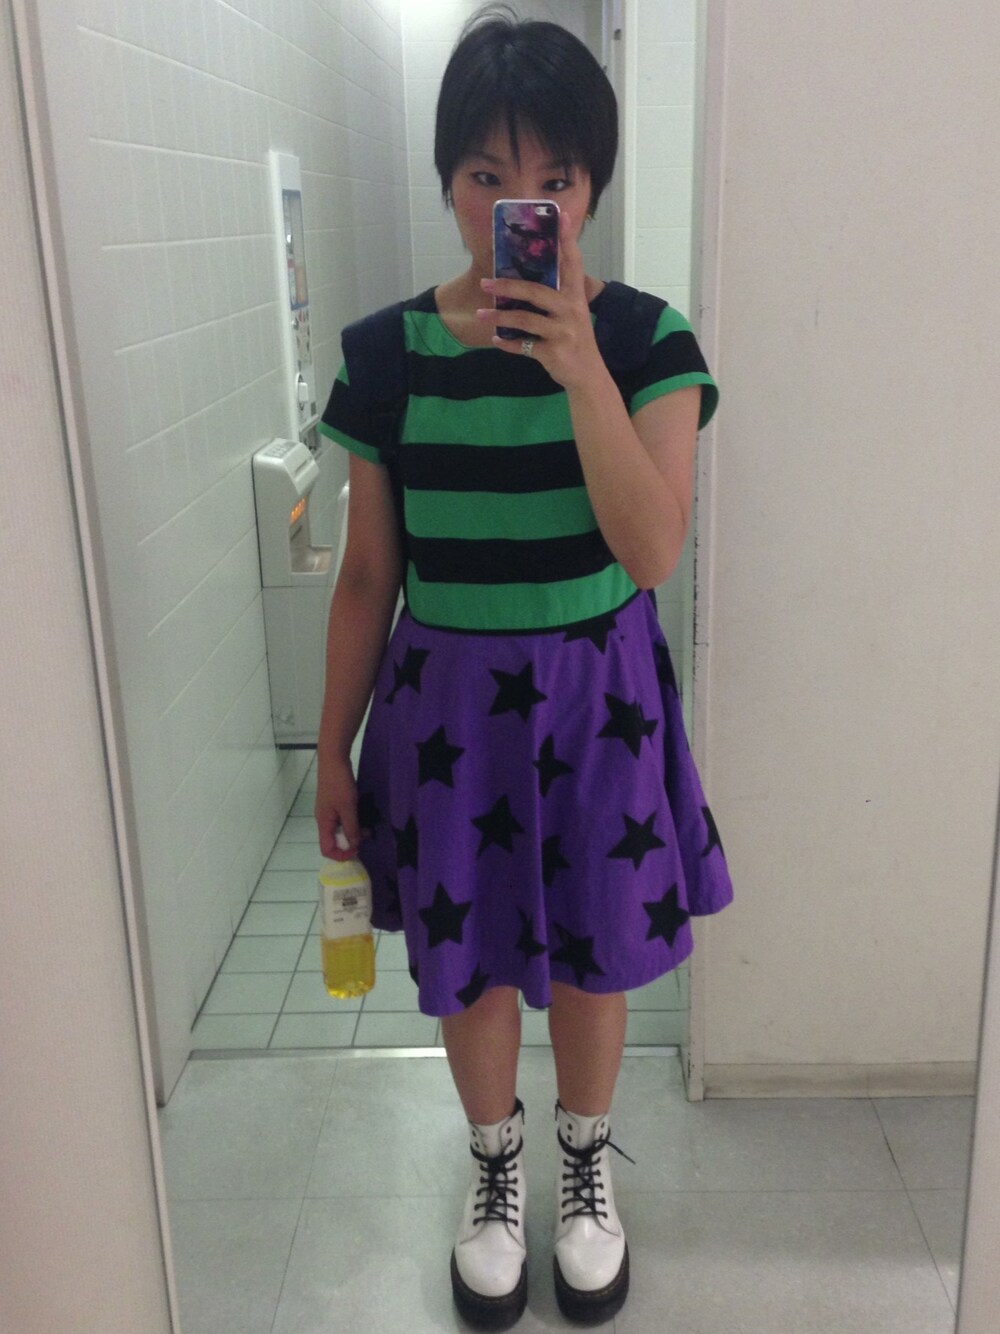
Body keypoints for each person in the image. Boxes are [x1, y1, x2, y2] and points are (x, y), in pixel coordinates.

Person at [314, 9, 734, 1327]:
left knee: (595, 953)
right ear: (448, 181)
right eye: (488, 176)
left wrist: (578, 369)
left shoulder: (651, 343)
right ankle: (496, 1169)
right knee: (477, 957)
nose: (520, 205)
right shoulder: (384, 357)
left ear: (591, 188)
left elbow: (651, 548)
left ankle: (584, 1165)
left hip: (600, 702)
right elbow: (368, 575)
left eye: (553, 178)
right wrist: (330, 748)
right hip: (447, 708)